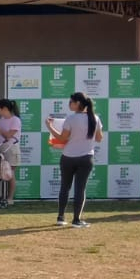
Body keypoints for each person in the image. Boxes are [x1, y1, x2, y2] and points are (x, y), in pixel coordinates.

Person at [46, 92, 103, 228]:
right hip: (86, 157)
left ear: (78, 103)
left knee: (65, 187)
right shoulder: (95, 118)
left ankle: (61, 217)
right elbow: (99, 138)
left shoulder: (71, 119)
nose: (69, 104)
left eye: (71, 101)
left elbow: (62, 138)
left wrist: (49, 126)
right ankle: (76, 220)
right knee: (80, 188)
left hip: (68, 157)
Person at [0, 100, 23, 207]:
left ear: (5, 109)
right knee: (1, 173)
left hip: (11, 149)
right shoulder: (2, 119)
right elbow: (0, 133)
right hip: (1, 149)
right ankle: (0, 195)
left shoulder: (15, 120)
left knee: (10, 174)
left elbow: (9, 135)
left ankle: (10, 198)